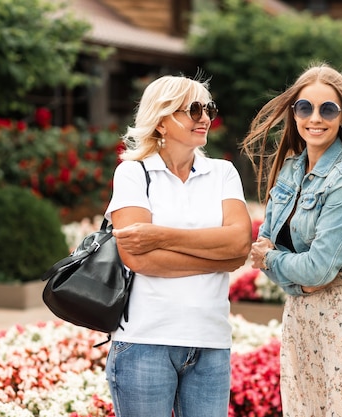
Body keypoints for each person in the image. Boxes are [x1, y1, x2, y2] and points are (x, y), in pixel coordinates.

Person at [241, 63, 342, 416]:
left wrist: (277, 261)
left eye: (328, 109)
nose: (315, 118)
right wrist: (297, 279)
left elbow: (317, 269)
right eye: (305, 108)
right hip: (300, 325)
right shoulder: (290, 171)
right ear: (294, 115)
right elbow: (263, 246)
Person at [104, 74, 252, 417]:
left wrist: (160, 236)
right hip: (144, 342)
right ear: (161, 120)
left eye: (208, 108)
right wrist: (219, 259)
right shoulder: (132, 173)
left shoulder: (223, 173)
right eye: (193, 109)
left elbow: (239, 242)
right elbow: (137, 258)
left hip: (211, 342)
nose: (205, 118)